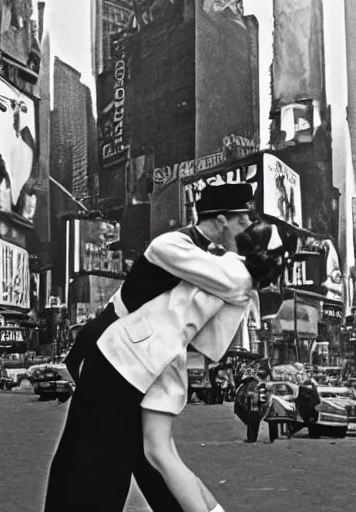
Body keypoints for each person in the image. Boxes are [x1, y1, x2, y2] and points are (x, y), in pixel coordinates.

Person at [44, 183, 259, 512]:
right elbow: (236, 283)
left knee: (143, 454)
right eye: (243, 221)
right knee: (101, 455)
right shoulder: (172, 245)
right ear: (220, 221)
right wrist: (250, 260)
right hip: (111, 350)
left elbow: (208, 336)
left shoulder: (203, 256)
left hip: (143, 359)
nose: (248, 229)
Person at [133, 221, 290, 512]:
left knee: (158, 453)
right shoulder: (246, 290)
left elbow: (161, 250)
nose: (231, 227)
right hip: (170, 357)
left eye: (241, 226)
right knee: (161, 453)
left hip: (157, 352)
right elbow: (211, 347)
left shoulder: (226, 270)